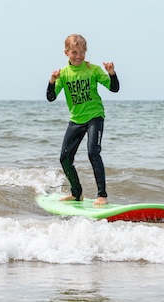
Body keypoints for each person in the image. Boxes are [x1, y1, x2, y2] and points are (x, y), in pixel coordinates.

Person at [46, 34, 120, 205]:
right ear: (66, 53)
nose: (78, 56)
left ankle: (102, 195)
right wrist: (51, 81)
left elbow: (114, 88)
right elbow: (50, 97)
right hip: (76, 119)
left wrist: (112, 73)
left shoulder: (93, 70)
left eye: (82, 52)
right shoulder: (63, 74)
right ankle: (76, 192)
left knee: (93, 152)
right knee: (64, 158)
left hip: (95, 116)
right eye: (74, 52)